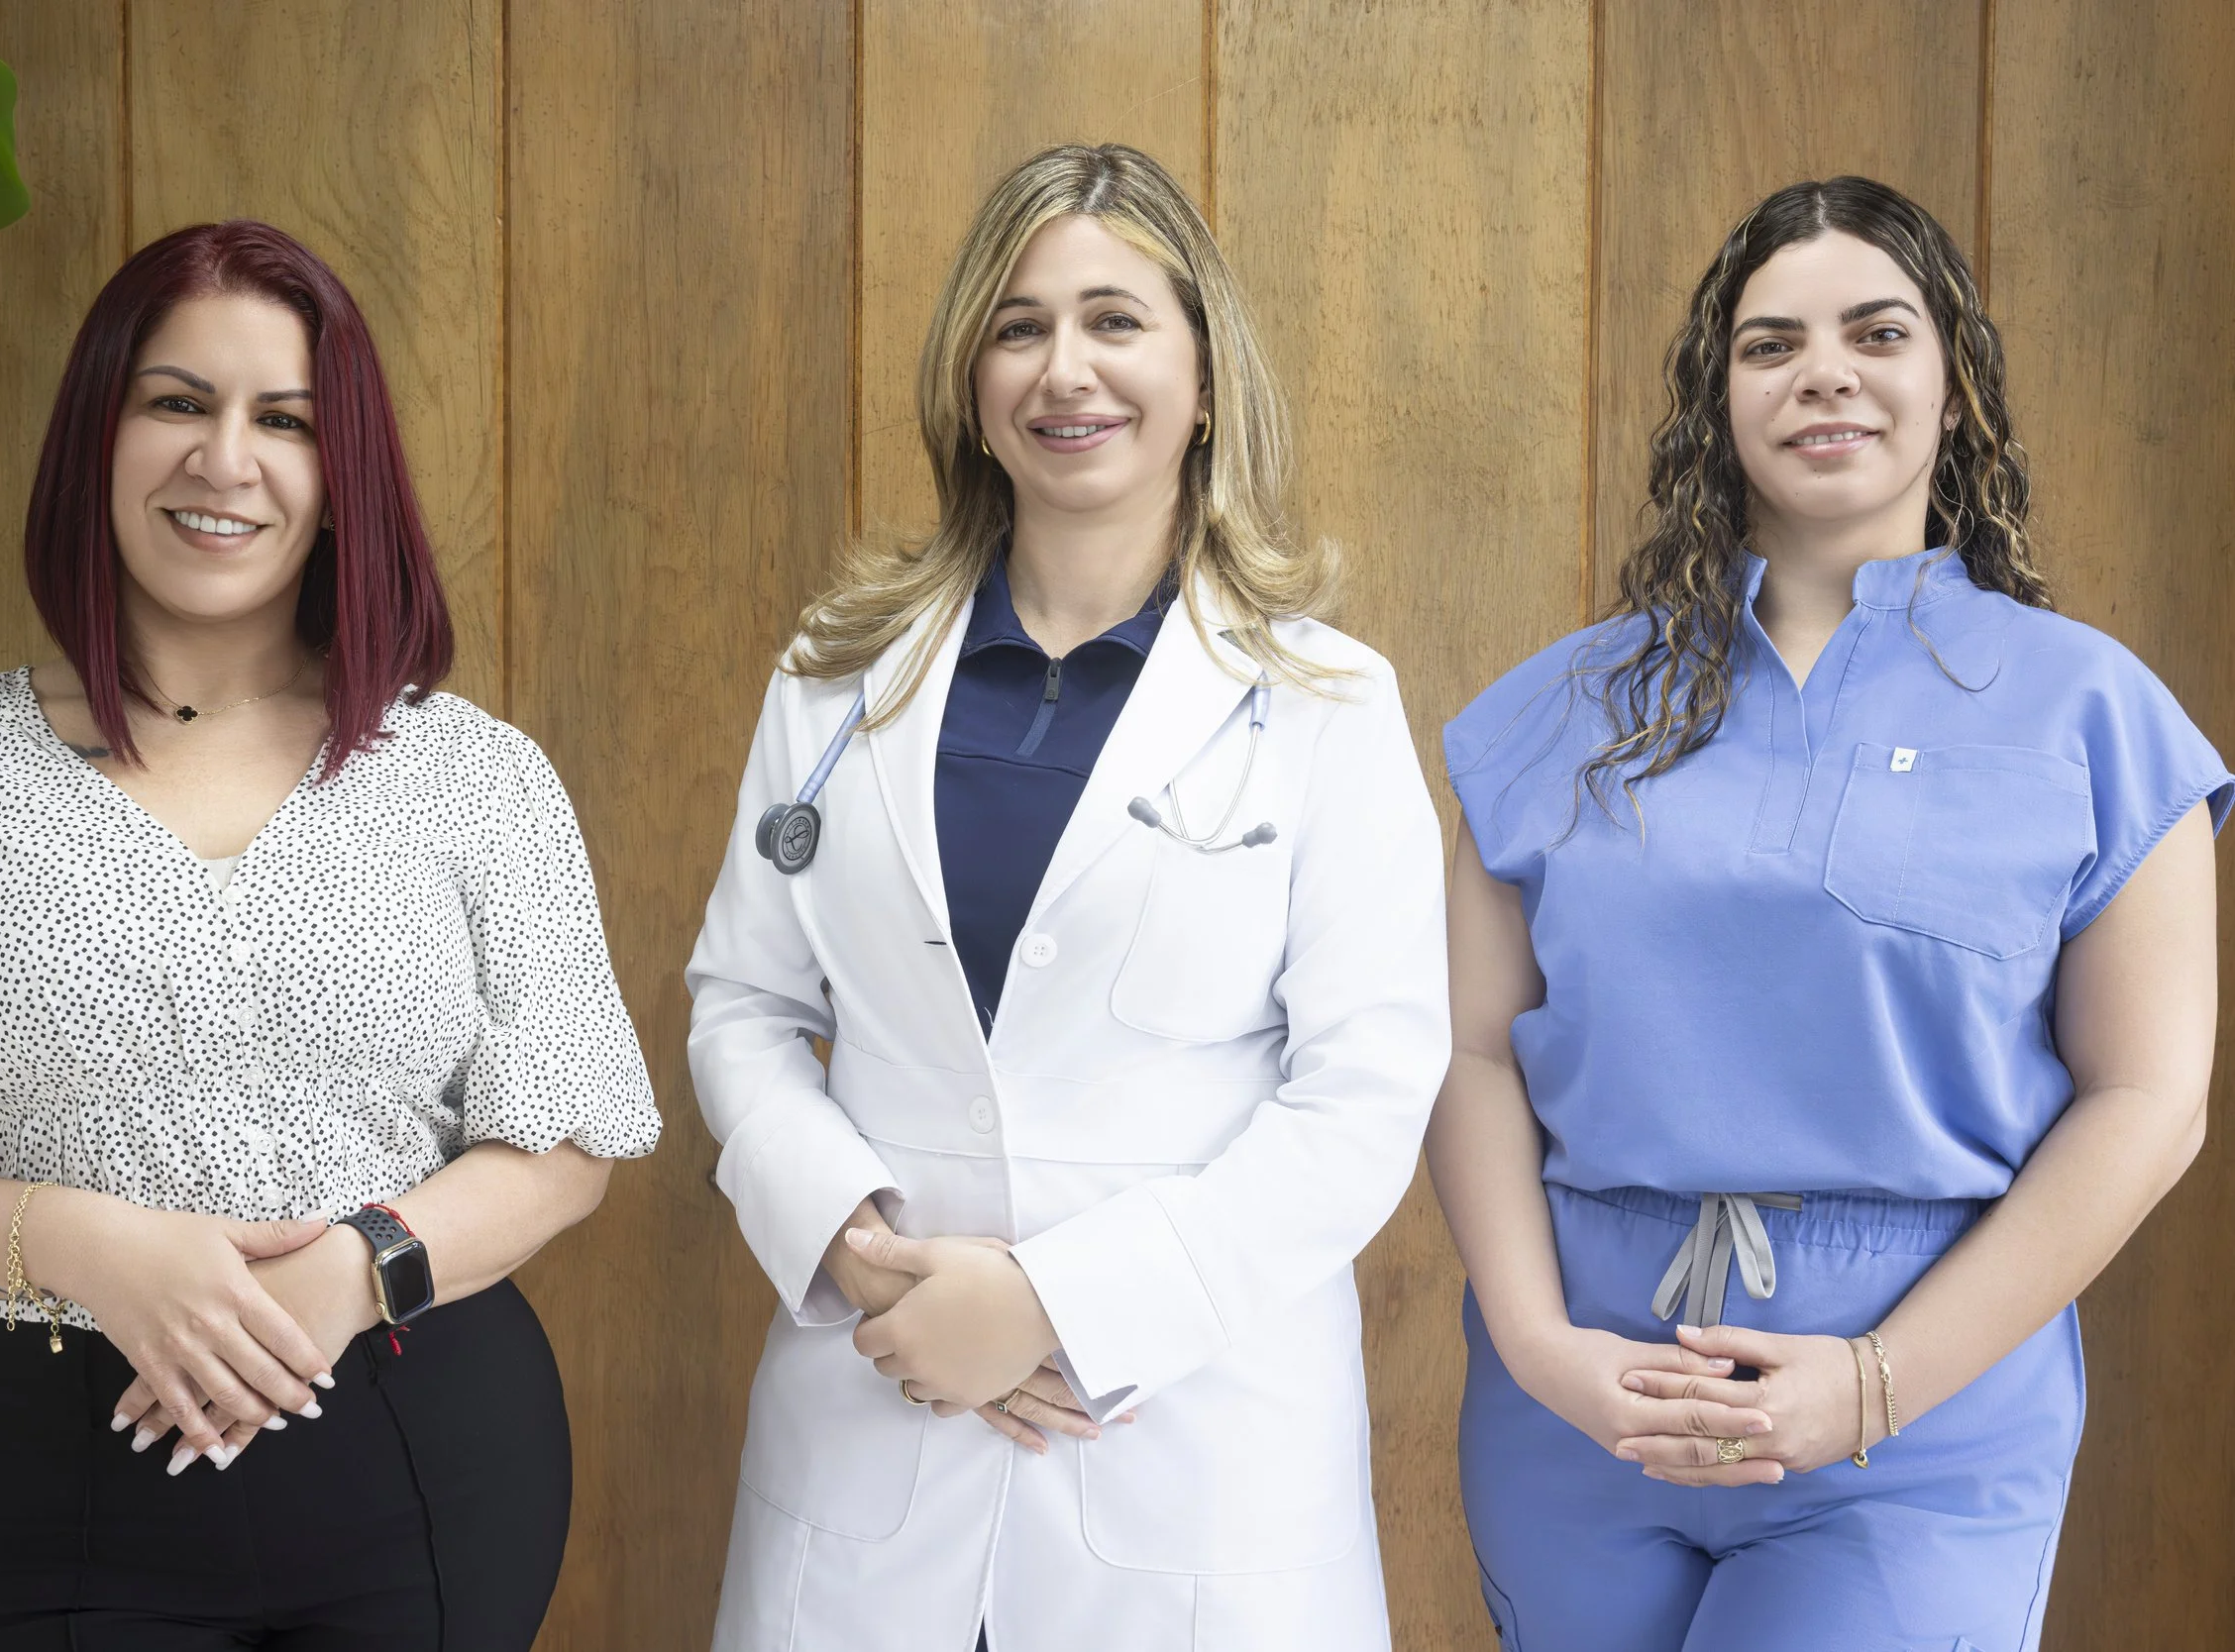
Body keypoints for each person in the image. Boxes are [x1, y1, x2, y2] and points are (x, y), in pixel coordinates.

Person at [0, 220, 660, 1650]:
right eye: (176, 402)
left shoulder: (475, 774)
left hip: (426, 1447)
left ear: (339, 474)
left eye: (284, 421)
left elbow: (567, 1141)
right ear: (97, 441)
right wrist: (91, 1245)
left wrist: (349, 1274)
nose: (224, 460)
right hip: (69, 1465)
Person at [1428, 175, 2227, 1650]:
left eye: (1877, 331)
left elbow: (2150, 1100)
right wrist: (1545, 1351)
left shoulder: (2099, 717)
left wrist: (1870, 1384)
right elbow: (1472, 1053)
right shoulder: (1552, 715)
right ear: (1714, 397)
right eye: (1771, 344)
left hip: (1916, 1427)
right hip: (1582, 1415)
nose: (1825, 375)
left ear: (1956, 385)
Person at [686, 143, 1448, 1652]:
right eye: (1019, 325)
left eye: (1116, 319)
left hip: (1184, 1460)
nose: (1066, 369)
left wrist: (1058, 1306)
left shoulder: (1325, 702)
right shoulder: (836, 684)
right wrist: (848, 1240)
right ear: (973, 379)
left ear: (1206, 373)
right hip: (874, 1412)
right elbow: (743, 1007)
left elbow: (1368, 1089)